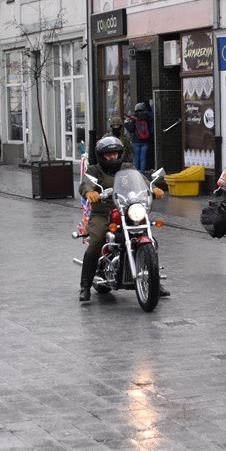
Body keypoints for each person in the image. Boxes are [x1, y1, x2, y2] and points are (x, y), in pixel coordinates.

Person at [77, 136, 166, 302]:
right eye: (108, 155)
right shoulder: (94, 170)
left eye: (115, 154)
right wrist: (90, 192)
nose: (112, 157)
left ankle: (154, 282)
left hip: (127, 209)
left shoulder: (127, 167)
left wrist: (153, 188)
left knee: (150, 239)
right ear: (101, 156)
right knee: (97, 240)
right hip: (103, 213)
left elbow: (141, 180)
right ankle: (85, 286)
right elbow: (86, 183)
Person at [124, 102, 153, 174]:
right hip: (145, 141)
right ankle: (142, 174)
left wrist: (126, 123)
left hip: (136, 141)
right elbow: (149, 129)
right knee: (143, 158)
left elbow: (130, 129)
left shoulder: (134, 118)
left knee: (136, 158)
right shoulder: (148, 117)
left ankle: (135, 175)